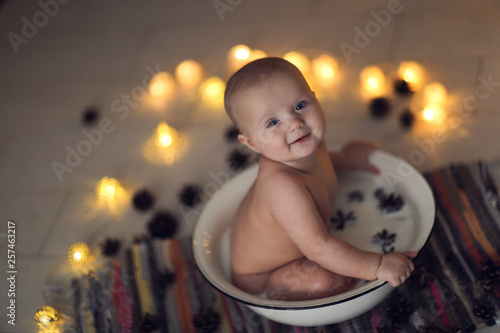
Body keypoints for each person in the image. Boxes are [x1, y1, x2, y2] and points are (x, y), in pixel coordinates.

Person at [224, 57, 416, 301]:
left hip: (305, 249)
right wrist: (377, 265)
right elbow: (320, 249)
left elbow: (320, 169)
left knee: (338, 265)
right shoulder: (282, 187)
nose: (295, 123)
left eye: (300, 105)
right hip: (262, 275)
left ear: (315, 97)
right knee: (325, 279)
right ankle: (275, 294)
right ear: (251, 143)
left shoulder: (308, 144)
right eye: (273, 122)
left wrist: (345, 158)